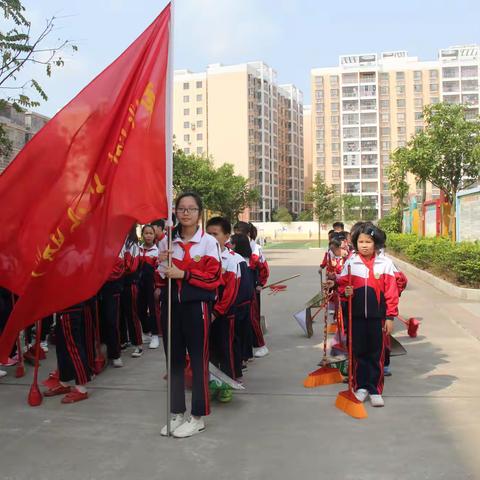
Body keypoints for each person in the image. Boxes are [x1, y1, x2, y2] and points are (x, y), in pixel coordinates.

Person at [158, 192, 222, 438]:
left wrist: (185, 275)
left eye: (191, 209)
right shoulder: (167, 242)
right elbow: (160, 278)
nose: (185, 213)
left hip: (197, 309)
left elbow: (215, 278)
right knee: (173, 361)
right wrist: (161, 264)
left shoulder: (208, 243)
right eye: (181, 208)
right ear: (175, 212)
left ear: (199, 213)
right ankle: (176, 413)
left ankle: (198, 416)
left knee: (198, 362)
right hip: (171, 307)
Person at [335, 222, 399, 408]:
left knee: (375, 353)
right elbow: (341, 285)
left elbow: (392, 293)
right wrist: (344, 291)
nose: (364, 245)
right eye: (361, 241)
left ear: (376, 243)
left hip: (377, 318)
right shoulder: (350, 263)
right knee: (358, 352)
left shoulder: (385, 264)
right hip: (355, 318)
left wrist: (389, 317)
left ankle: (375, 389)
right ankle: (360, 387)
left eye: (368, 241)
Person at [206, 216, 243, 403]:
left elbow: (230, 293)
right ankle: (214, 383)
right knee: (209, 351)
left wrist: (216, 313)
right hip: (205, 312)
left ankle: (227, 384)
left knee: (225, 349)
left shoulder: (232, 260)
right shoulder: (203, 257)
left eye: (216, 234)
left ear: (226, 236)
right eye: (209, 234)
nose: (212, 238)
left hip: (223, 315)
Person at [233, 222, 269, 358]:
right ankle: (246, 349)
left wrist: (260, 283)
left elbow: (263, 268)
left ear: (247, 234)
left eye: (239, 234)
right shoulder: (234, 247)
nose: (236, 237)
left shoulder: (255, 249)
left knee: (252, 317)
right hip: (239, 286)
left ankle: (261, 345)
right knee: (243, 321)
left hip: (251, 287)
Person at [44, 303, 92, 403]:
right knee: (62, 347)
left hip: (70, 308)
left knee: (73, 347)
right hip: (62, 308)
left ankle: (81, 388)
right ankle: (64, 382)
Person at [229, 234, 255, 369]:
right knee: (244, 330)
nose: (229, 244)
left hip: (240, 300)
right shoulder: (244, 259)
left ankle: (243, 358)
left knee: (240, 332)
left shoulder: (238, 260)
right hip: (245, 298)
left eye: (231, 243)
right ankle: (246, 356)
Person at [120, 225, 144, 358]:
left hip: (131, 284)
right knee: (120, 314)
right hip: (119, 284)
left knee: (132, 314)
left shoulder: (133, 245)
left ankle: (138, 344)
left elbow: (132, 267)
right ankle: (123, 340)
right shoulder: (118, 242)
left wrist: (118, 266)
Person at [137, 225, 160, 349]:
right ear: (142, 235)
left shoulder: (157, 251)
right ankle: (146, 332)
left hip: (151, 285)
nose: (149, 235)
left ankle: (155, 335)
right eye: (146, 233)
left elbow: (158, 271)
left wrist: (158, 287)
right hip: (139, 285)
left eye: (151, 233)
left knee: (152, 310)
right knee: (139, 309)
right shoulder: (138, 249)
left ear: (154, 235)